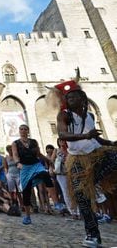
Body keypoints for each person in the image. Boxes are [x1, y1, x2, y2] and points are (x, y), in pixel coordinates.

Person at [54, 80, 117, 247]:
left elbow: (95, 137)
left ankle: (95, 185)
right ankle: (92, 235)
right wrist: (85, 136)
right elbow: (63, 134)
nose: (71, 100)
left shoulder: (90, 115)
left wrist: (110, 143)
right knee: (82, 198)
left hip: (96, 154)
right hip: (77, 161)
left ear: (82, 98)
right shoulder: (64, 115)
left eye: (74, 97)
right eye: (69, 98)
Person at [11, 124, 63, 225]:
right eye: (21, 129)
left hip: (35, 164)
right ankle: (27, 216)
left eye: (25, 129)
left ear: (28, 131)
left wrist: (48, 160)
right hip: (25, 167)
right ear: (19, 131)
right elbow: (15, 155)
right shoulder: (15, 143)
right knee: (26, 191)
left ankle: (56, 203)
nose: (23, 131)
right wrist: (18, 163)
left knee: (46, 175)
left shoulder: (33, 142)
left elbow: (38, 154)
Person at [52, 138, 79, 219]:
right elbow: (51, 160)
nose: (62, 142)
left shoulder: (70, 149)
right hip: (61, 173)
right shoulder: (56, 150)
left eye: (63, 140)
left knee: (75, 191)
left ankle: (78, 210)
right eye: (60, 141)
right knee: (66, 192)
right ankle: (72, 211)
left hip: (72, 173)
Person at [4, 144, 23, 209]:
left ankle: (22, 204)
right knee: (12, 190)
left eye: (11, 150)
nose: (10, 151)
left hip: (17, 173)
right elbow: (5, 167)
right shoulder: (6, 158)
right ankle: (14, 203)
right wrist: (7, 175)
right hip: (10, 174)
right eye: (9, 150)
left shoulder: (17, 157)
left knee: (19, 190)